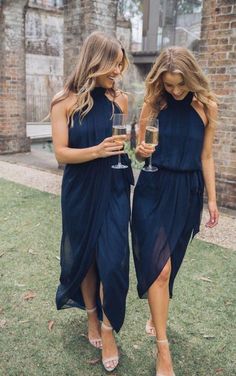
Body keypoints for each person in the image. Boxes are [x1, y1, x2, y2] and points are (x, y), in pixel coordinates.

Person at [131, 46, 219, 376]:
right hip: (153, 189)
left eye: (180, 84)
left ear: (191, 77)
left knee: (173, 262)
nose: (176, 90)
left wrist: (212, 199)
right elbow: (140, 154)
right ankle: (162, 351)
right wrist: (140, 150)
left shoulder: (206, 107)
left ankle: (157, 316)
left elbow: (206, 157)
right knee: (161, 269)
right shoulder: (154, 104)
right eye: (169, 84)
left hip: (187, 192)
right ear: (160, 81)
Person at [51, 31, 134, 372]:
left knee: (113, 262)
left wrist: (129, 144)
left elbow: (123, 140)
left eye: (120, 64)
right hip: (80, 189)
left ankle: (108, 324)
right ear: (95, 60)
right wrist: (97, 150)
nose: (118, 70)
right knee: (85, 257)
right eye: (113, 64)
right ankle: (91, 316)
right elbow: (60, 153)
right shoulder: (64, 100)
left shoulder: (122, 100)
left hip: (114, 185)